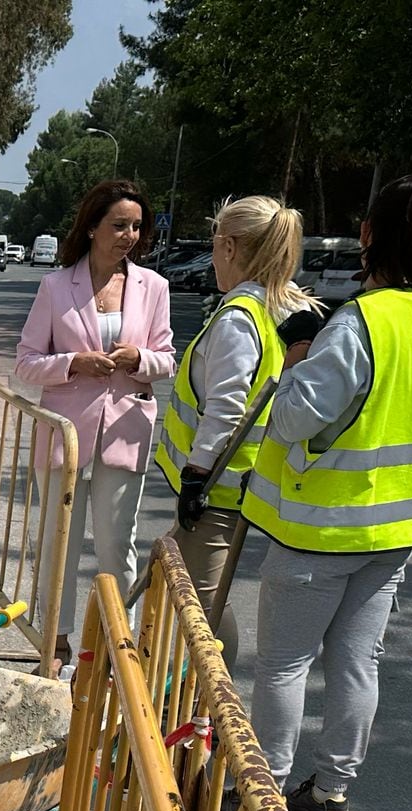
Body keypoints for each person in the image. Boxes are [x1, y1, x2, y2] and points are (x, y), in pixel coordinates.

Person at [241, 175, 412, 811]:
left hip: (321, 529)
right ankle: (330, 793)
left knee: (283, 664)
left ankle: (267, 790)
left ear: (365, 235)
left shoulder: (358, 325)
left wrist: (296, 357)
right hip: (394, 530)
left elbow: (294, 420)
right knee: (358, 664)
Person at [13, 178, 175, 667]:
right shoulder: (57, 285)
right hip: (65, 432)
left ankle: (115, 641)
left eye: (136, 227)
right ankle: (56, 639)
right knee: (57, 539)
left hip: (126, 430)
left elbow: (167, 358)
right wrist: (72, 363)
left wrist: (140, 358)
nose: (128, 235)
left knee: (115, 542)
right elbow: (24, 363)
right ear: (92, 227)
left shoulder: (154, 287)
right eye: (118, 225)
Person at [154, 195, 323, 662]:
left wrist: (195, 476)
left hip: (218, 489)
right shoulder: (284, 308)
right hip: (240, 485)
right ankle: (200, 705)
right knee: (204, 599)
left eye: (213, 247)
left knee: (198, 611)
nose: (211, 258)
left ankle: (206, 712)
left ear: (228, 247)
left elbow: (226, 408)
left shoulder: (239, 319)